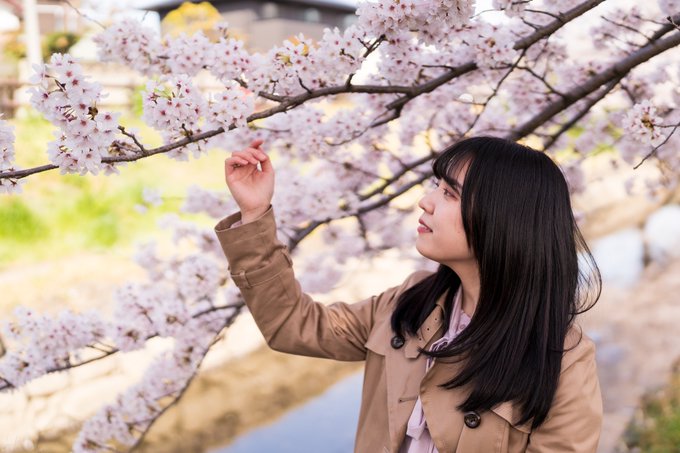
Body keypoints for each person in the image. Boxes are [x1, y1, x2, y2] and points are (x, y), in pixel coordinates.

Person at [214, 136, 603, 453]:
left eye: (450, 194)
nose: (426, 200)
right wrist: (255, 216)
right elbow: (293, 326)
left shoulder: (562, 358)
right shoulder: (410, 303)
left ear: (502, 221)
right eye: (437, 185)